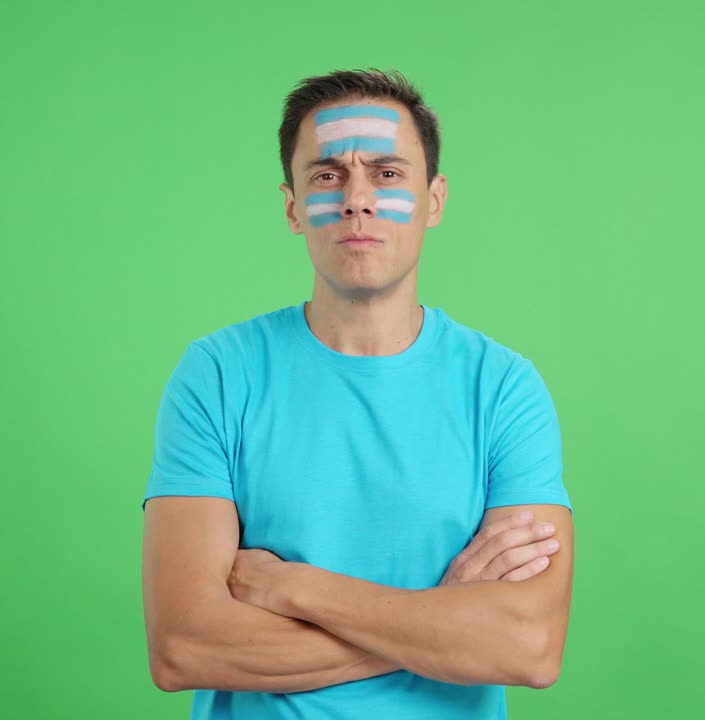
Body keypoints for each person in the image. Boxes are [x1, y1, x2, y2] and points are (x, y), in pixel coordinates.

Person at [140, 68, 574, 720]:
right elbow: (183, 647)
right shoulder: (218, 375)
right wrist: (443, 616)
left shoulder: (504, 388)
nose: (357, 200)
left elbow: (530, 646)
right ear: (293, 207)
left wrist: (294, 588)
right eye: (327, 176)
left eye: (388, 173)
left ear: (435, 200)